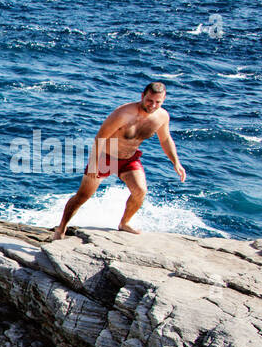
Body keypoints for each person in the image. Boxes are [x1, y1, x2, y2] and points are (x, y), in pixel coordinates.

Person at [53, 81, 187, 239]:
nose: (153, 105)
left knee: (140, 191)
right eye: (150, 100)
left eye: (158, 102)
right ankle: (61, 228)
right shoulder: (123, 114)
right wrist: (95, 164)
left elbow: (165, 139)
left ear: (163, 100)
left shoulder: (162, 116)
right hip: (105, 157)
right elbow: (100, 138)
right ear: (142, 96)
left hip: (129, 159)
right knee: (82, 196)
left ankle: (124, 223)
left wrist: (176, 162)